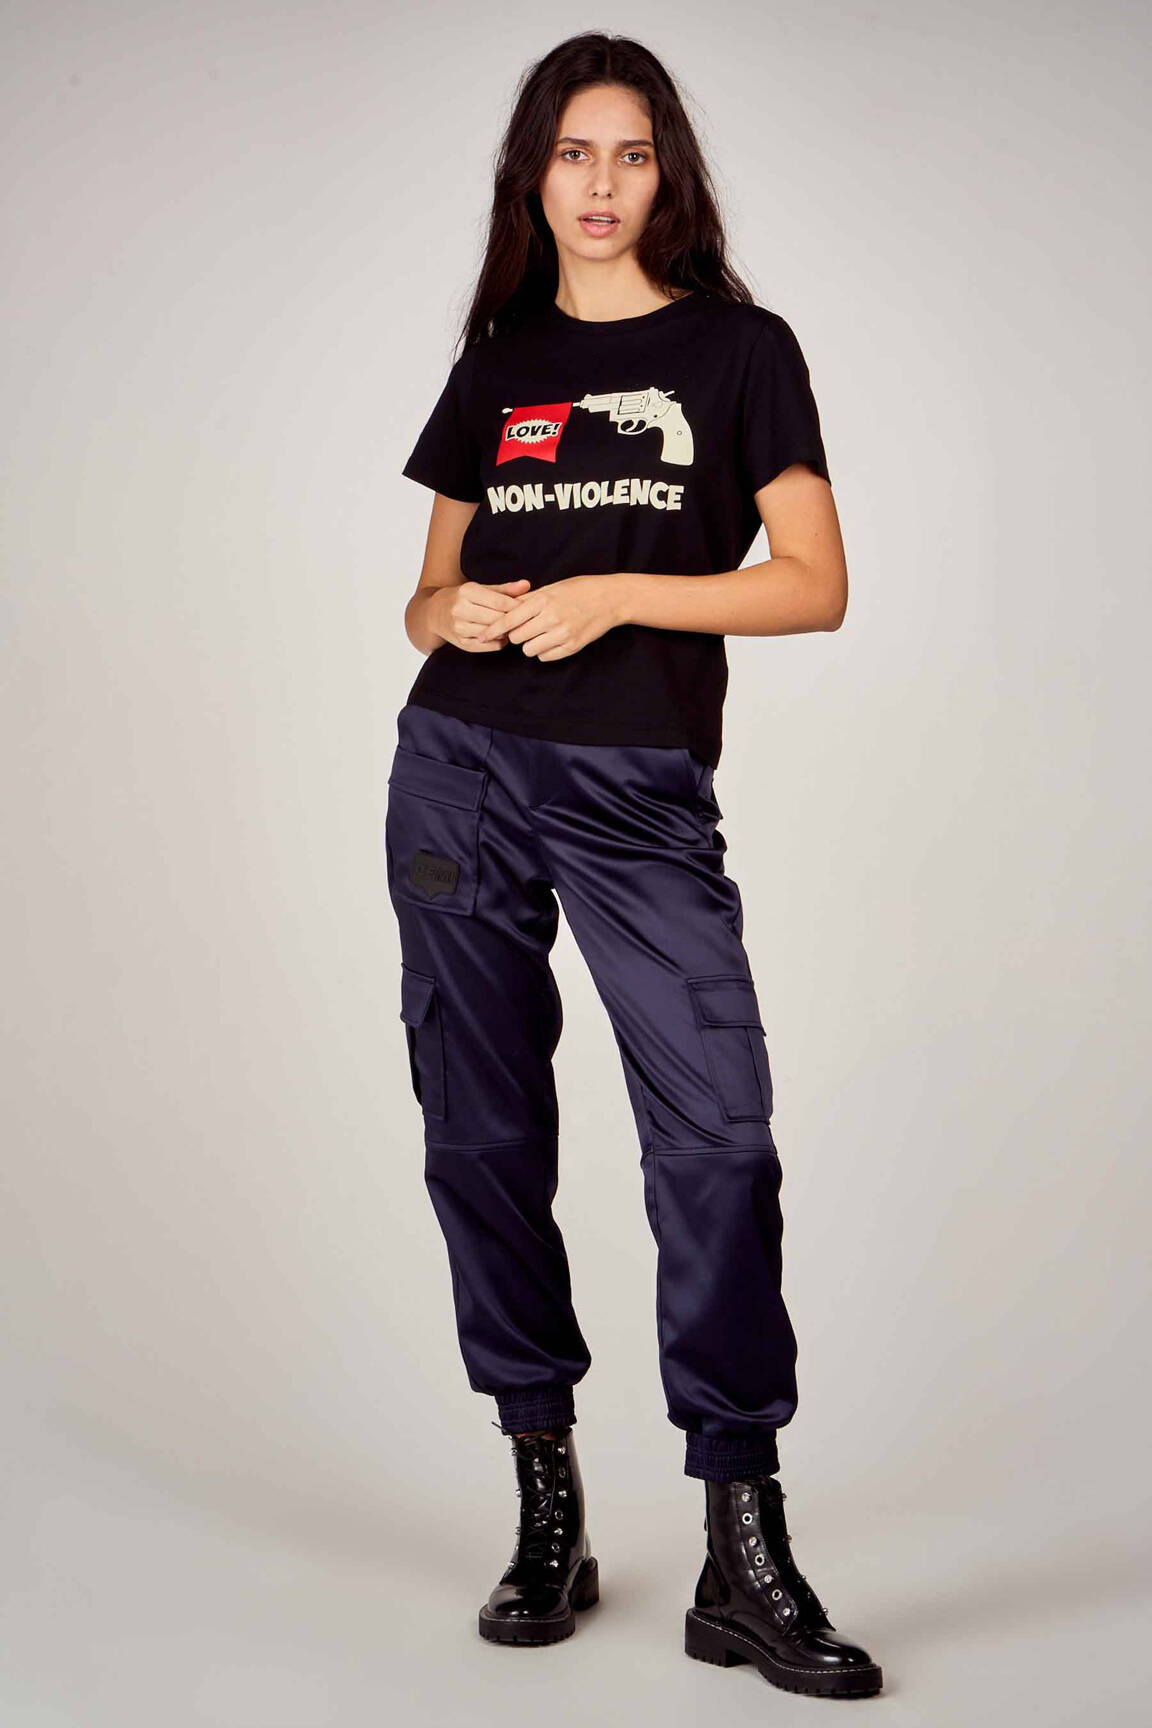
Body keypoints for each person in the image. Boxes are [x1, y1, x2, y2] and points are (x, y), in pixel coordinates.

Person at [386, 30, 883, 1700]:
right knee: (482, 1133)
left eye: (631, 152)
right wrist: (448, 612)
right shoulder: (501, 357)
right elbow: (423, 595)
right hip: (457, 775)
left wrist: (616, 595)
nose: (600, 184)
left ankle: (743, 1541)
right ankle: (545, 1491)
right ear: (533, 176)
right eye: (572, 153)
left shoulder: (741, 351)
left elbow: (812, 581)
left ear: (668, 174)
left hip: (636, 792)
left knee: (719, 1141)